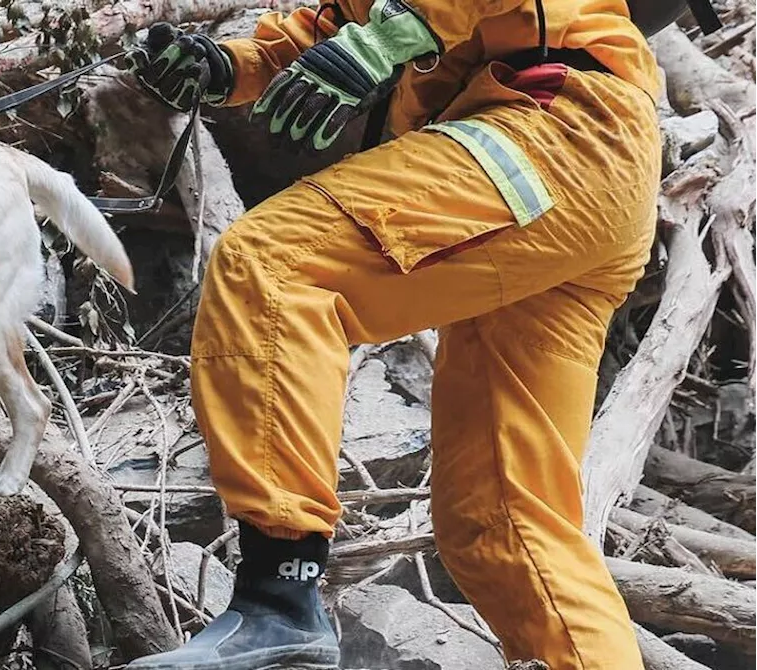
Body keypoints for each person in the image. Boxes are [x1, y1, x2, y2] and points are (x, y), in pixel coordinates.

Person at [124, 0, 678, 668]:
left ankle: (280, 599)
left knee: (275, 265)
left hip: (556, 123)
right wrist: (224, 65)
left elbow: (397, 25)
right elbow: (322, 32)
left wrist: (395, 34)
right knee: (502, 520)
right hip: (592, 177)